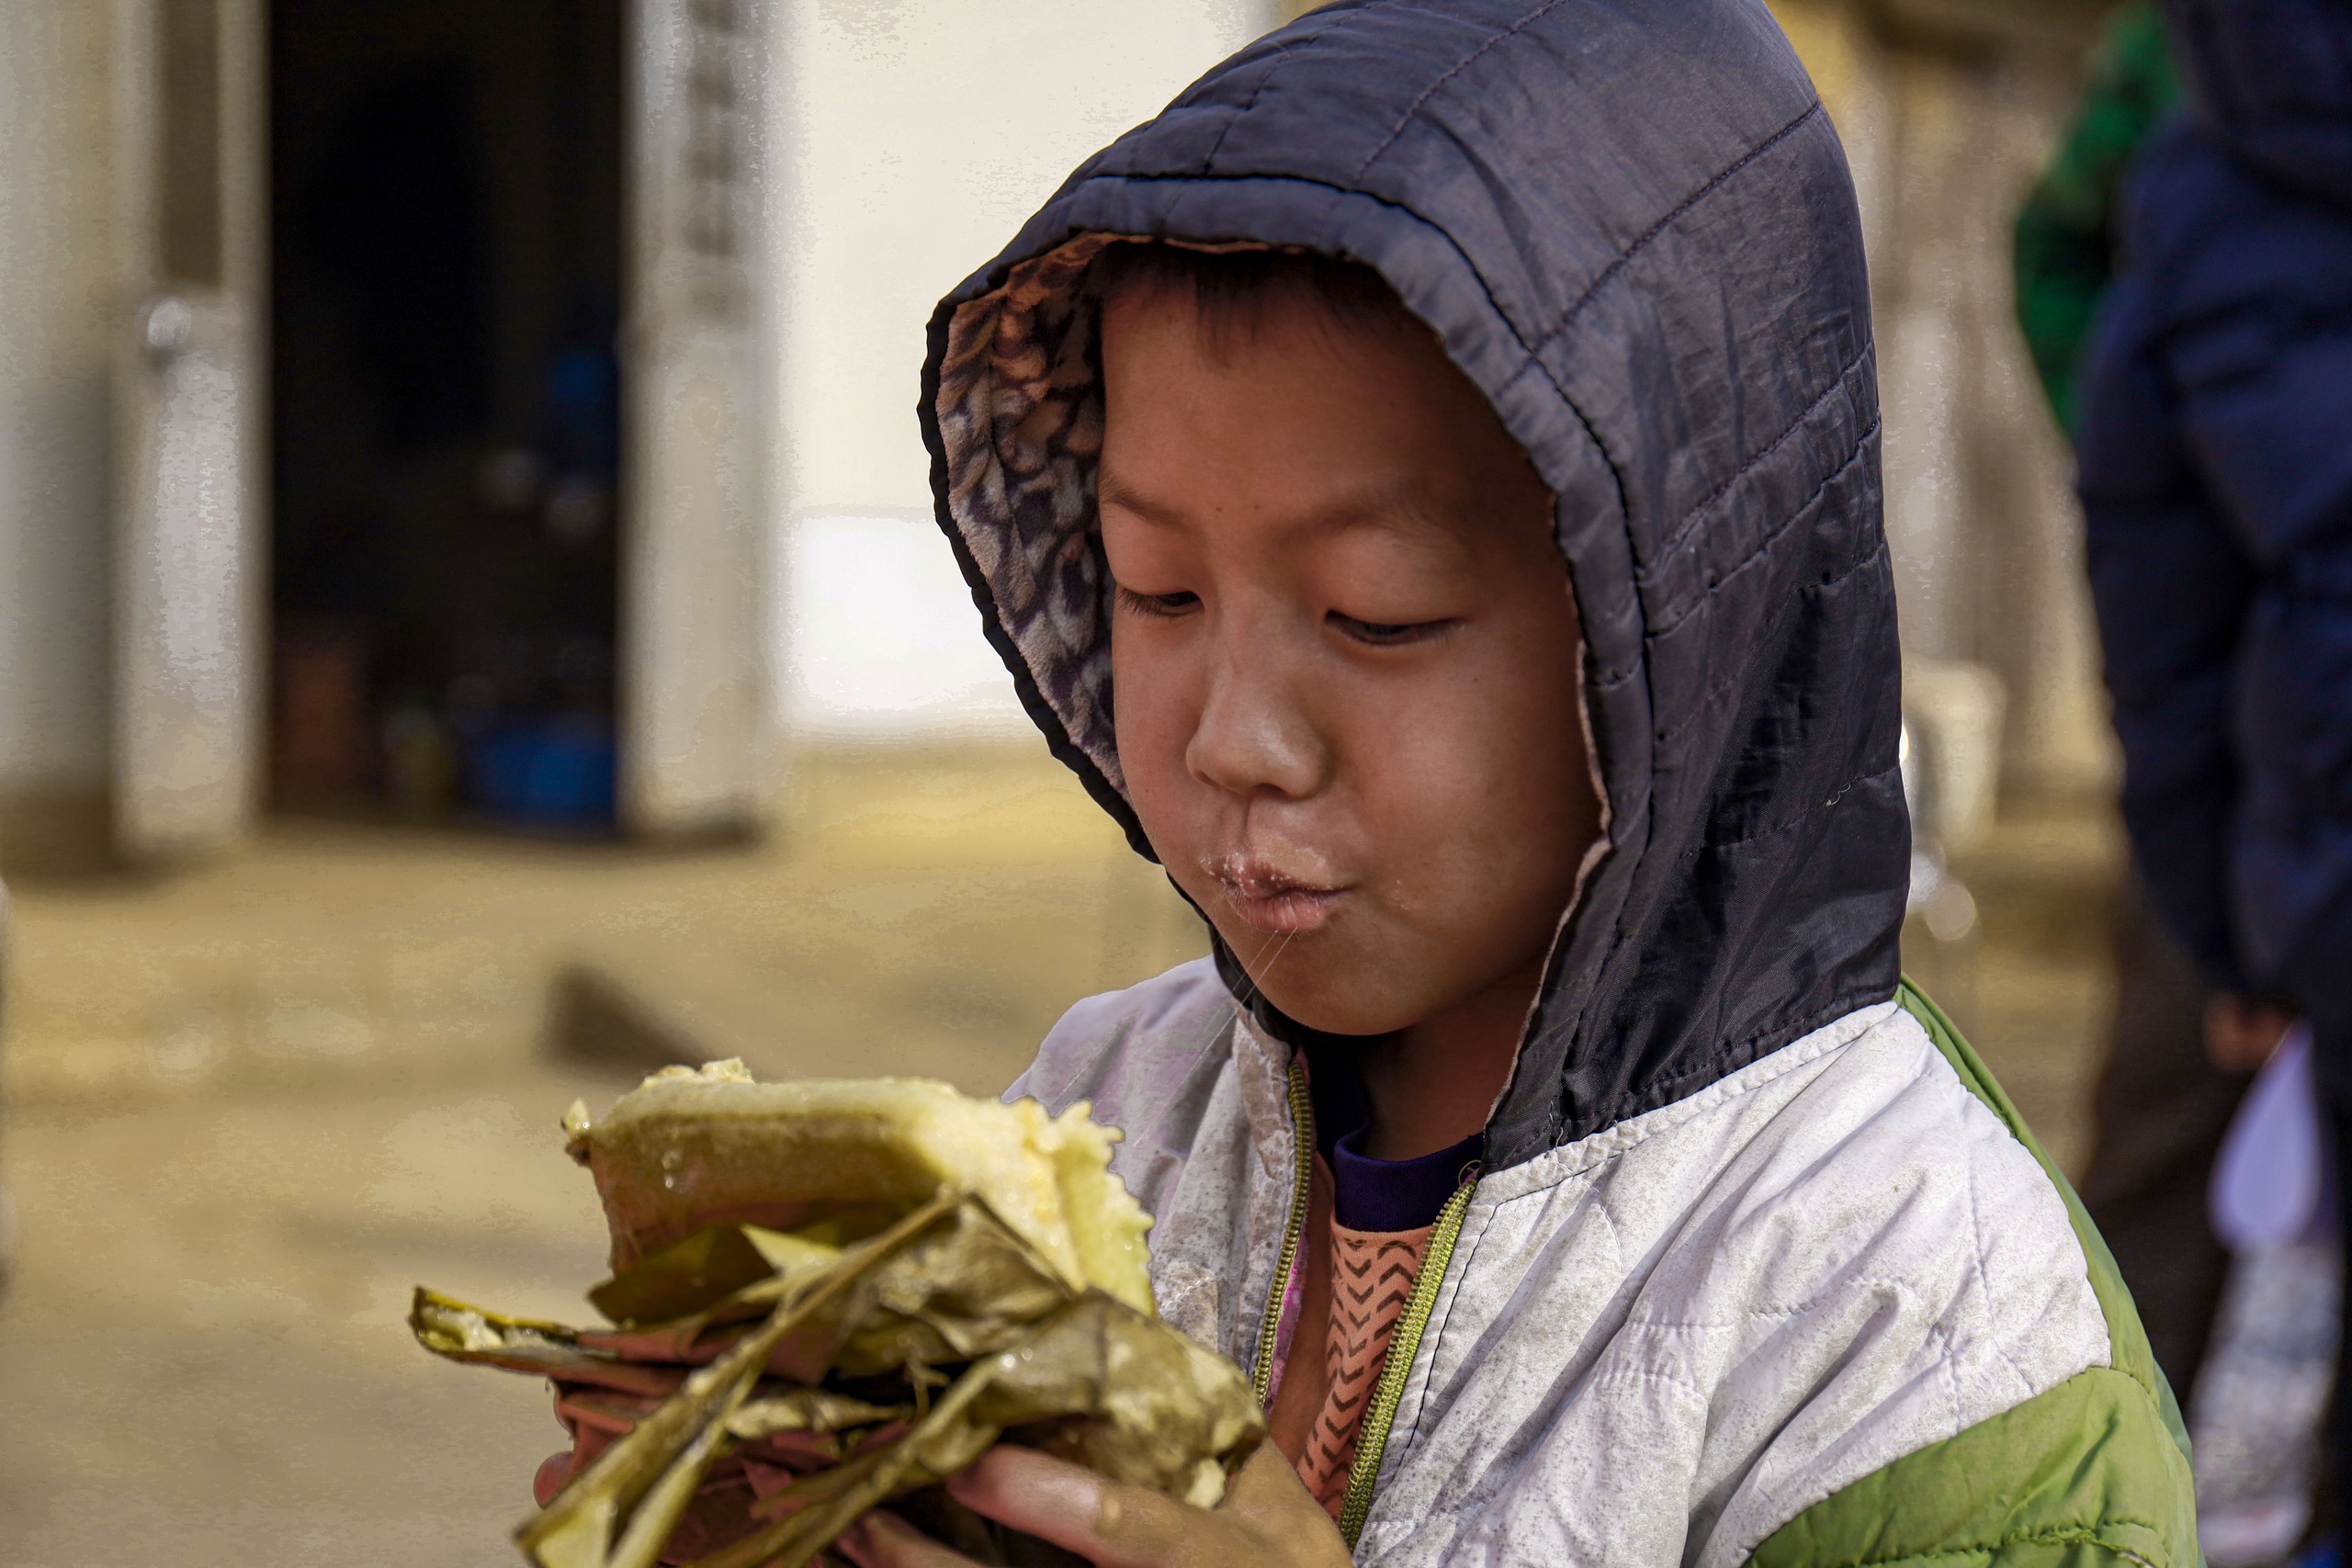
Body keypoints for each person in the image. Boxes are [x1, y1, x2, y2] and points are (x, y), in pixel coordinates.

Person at [825, 5, 2205, 1563]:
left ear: (1680, 636)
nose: (1231, 739)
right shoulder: (1107, 1119)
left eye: (1376, 614)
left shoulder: (1922, 1340)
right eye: (1156, 589)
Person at [2074, 0, 2352, 1544]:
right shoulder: (2161, 119)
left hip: (2293, 828)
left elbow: (2159, 623)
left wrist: (2231, 914)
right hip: (2284, 813)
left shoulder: (2197, 147)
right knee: (2170, 1170)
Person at [2011, 1, 2256, 1407]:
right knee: (2176, 1106)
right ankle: (2111, 1464)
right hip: (2250, 700)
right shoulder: (2204, 49)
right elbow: (2052, 242)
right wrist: (2148, 448)